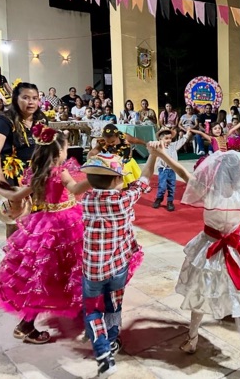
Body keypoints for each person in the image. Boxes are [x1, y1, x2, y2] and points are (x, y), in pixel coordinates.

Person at [152, 144, 240, 367]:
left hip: (208, 248)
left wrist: (161, 153)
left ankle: (192, 340)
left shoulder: (209, 192)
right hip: (234, 249)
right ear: (239, 174)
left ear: (217, 172)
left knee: (200, 293)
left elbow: (182, 172)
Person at [0, 126, 90, 345]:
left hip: (44, 224)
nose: (66, 152)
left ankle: (75, 305)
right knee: (67, 269)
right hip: (65, 224)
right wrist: (95, 179)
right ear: (58, 152)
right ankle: (26, 325)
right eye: (65, 148)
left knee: (44, 274)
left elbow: (17, 194)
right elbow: (75, 188)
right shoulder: (59, 171)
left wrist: (0, 189)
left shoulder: (37, 173)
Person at [79, 150, 158, 377]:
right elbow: (144, 178)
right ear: (116, 179)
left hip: (92, 270)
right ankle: (112, 340)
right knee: (114, 305)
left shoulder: (87, 200)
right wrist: (152, 155)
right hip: (118, 267)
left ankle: (103, 352)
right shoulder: (123, 199)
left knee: (92, 310)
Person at [0, 83, 47, 238]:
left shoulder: (41, 119)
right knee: (15, 222)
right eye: (25, 98)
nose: (31, 102)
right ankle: (13, 259)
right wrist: (1, 180)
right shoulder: (5, 120)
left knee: (38, 221)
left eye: (34, 98)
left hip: (35, 174)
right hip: (11, 174)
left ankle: (31, 258)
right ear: (15, 99)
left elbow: (46, 146)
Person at [87, 124, 146, 188]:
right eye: (108, 142)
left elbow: (135, 140)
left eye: (113, 141)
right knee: (118, 183)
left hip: (127, 163)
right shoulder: (102, 142)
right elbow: (93, 152)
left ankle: (128, 191)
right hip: (115, 163)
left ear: (117, 136)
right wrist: (90, 159)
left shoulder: (124, 137)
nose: (111, 144)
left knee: (129, 182)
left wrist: (145, 143)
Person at [152, 127, 191, 211]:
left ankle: (170, 201)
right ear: (160, 139)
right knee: (162, 186)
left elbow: (182, 141)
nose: (169, 140)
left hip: (172, 170)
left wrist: (187, 133)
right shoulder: (158, 146)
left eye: (170, 138)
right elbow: (153, 157)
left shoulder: (173, 146)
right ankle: (159, 198)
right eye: (166, 138)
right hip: (162, 170)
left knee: (172, 186)